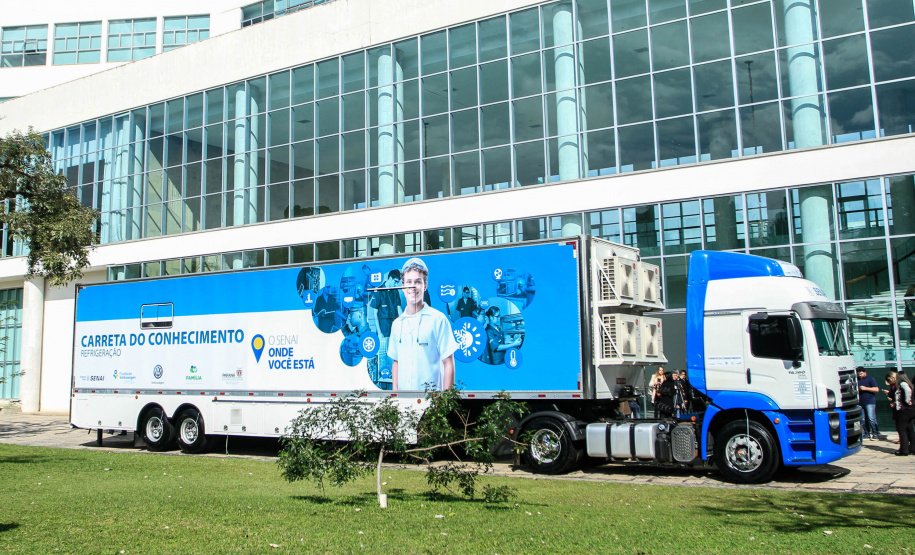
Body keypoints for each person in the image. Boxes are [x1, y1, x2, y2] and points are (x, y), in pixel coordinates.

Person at [388, 258, 459, 391]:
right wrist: (395, 394)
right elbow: (396, 362)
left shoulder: (438, 320)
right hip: (403, 400)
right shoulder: (397, 324)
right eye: (409, 282)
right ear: (403, 286)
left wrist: (446, 399)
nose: (412, 287)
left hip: (432, 400)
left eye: (417, 282)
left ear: (425, 286)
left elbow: (448, 362)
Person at [892, 371, 915, 456]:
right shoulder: (909, 384)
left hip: (904, 410)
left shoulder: (903, 384)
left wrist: (907, 400)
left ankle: (904, 450)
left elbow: (907, 391)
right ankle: (913, 448)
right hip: (911, 410)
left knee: (901, 429)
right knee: (910, 428)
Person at [856, 367, 880, 440]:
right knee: (863, 418)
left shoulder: (870, 379)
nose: (860, 375)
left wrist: (866, 388)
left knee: (871, 417)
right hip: (861, 401)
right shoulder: (857, 380)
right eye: (858, 374)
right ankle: (866, 433)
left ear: (865, 372)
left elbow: (876, 389)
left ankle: (875, 433)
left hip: (870, 401)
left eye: (861, 374)